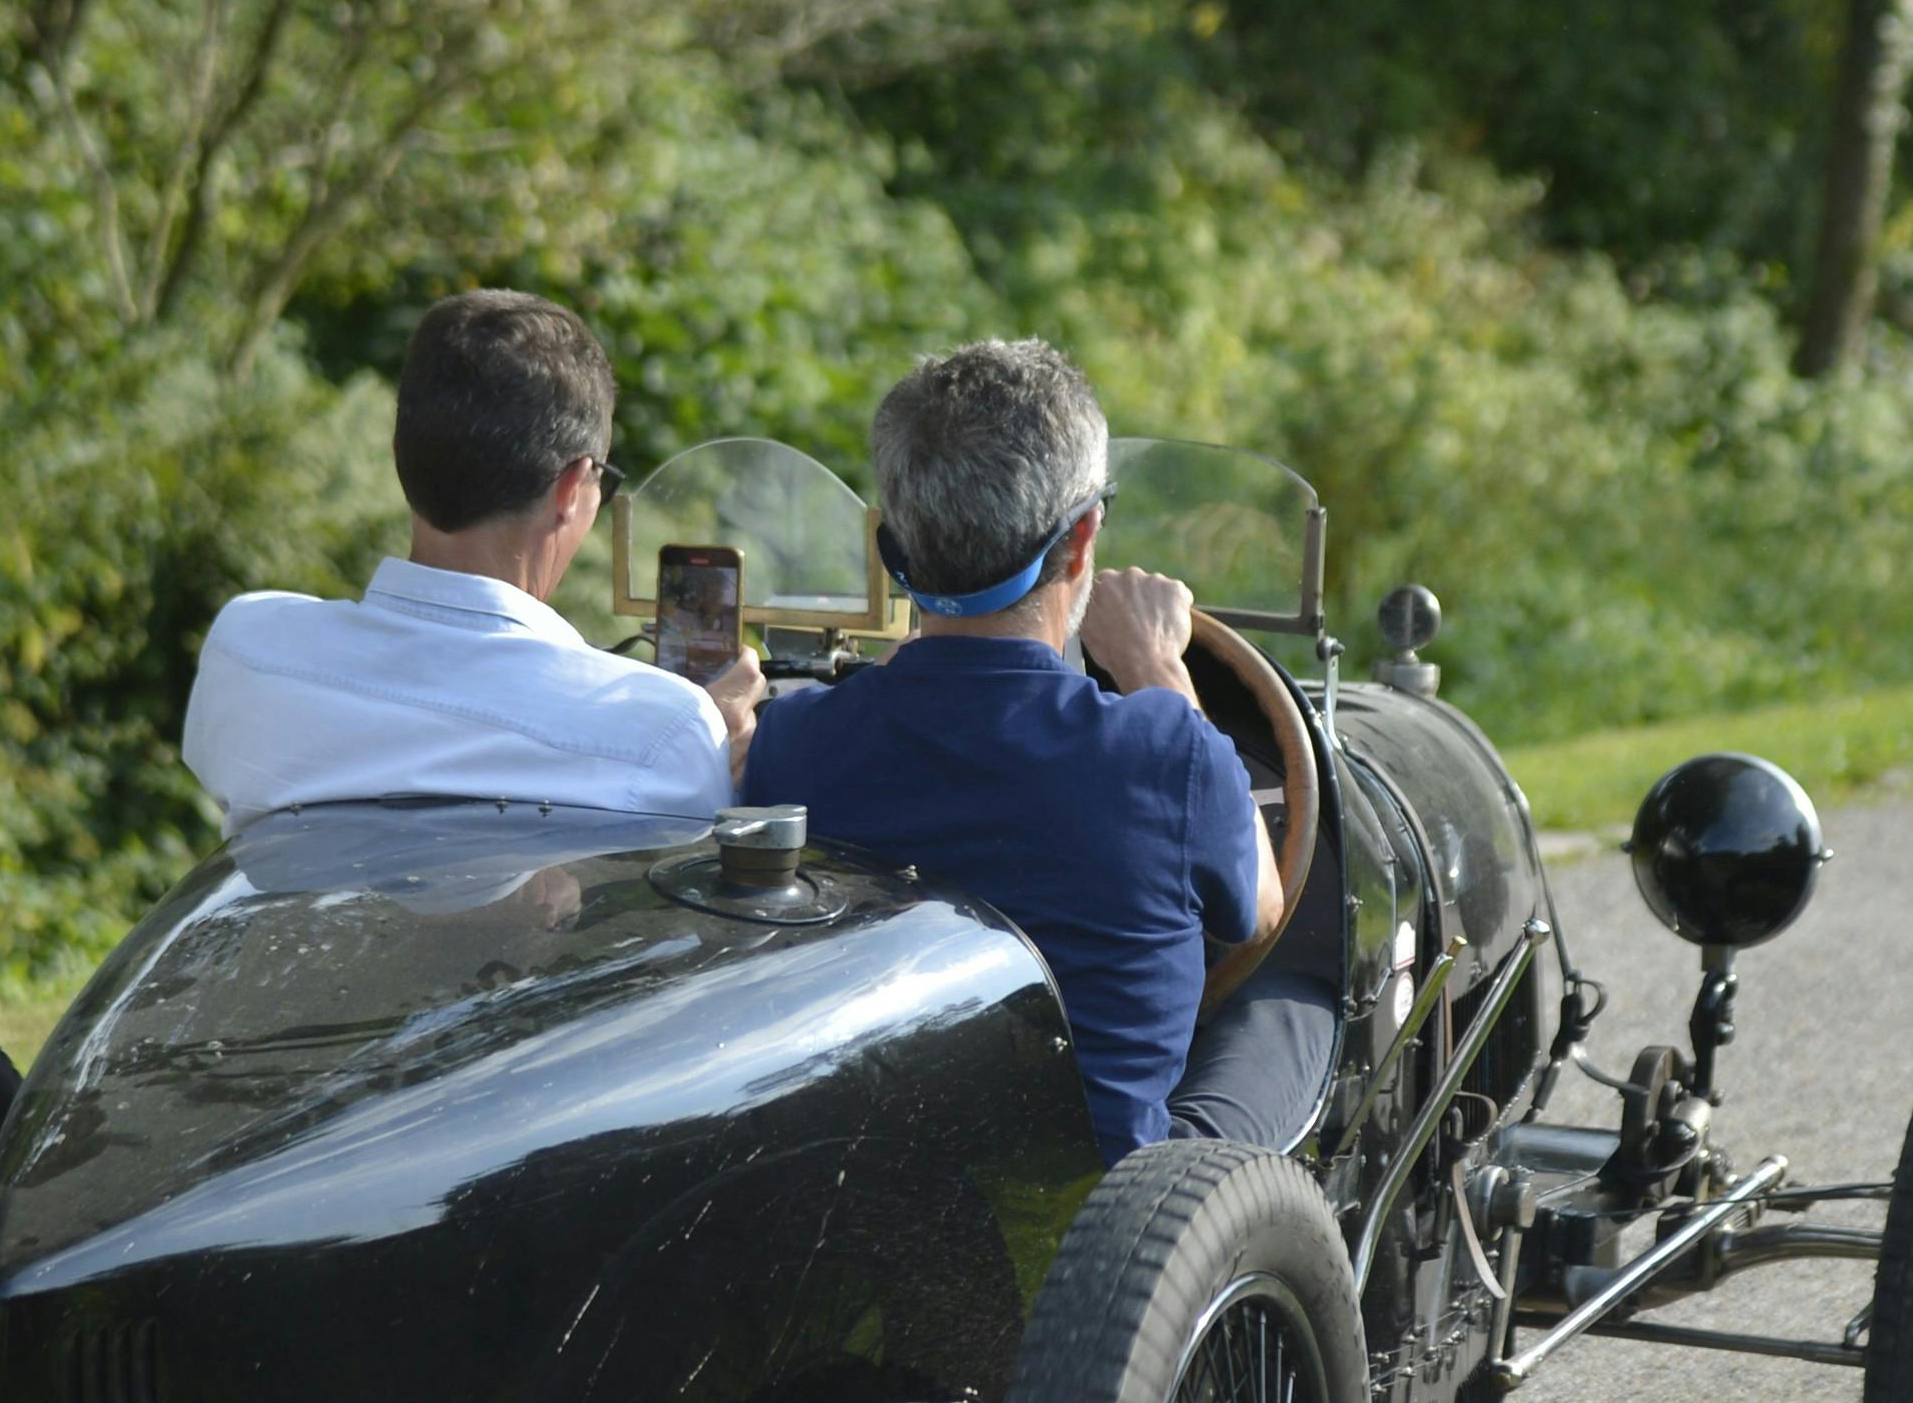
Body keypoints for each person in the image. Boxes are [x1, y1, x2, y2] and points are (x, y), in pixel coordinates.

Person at [744, 339, 1333, 1164]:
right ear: (1083, 538)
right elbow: (1261, 911)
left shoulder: (793, 742)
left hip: (868, 1176)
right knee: (1298, 1007)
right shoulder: (1169, 752)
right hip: (1113, 1210)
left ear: (893, 548)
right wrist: (1157, 667)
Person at [181, 289, 765, 831]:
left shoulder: (247, 646)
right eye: (601, 484)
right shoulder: (662, 731)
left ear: (400, 454)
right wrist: (708, 741)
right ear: (570, 489)